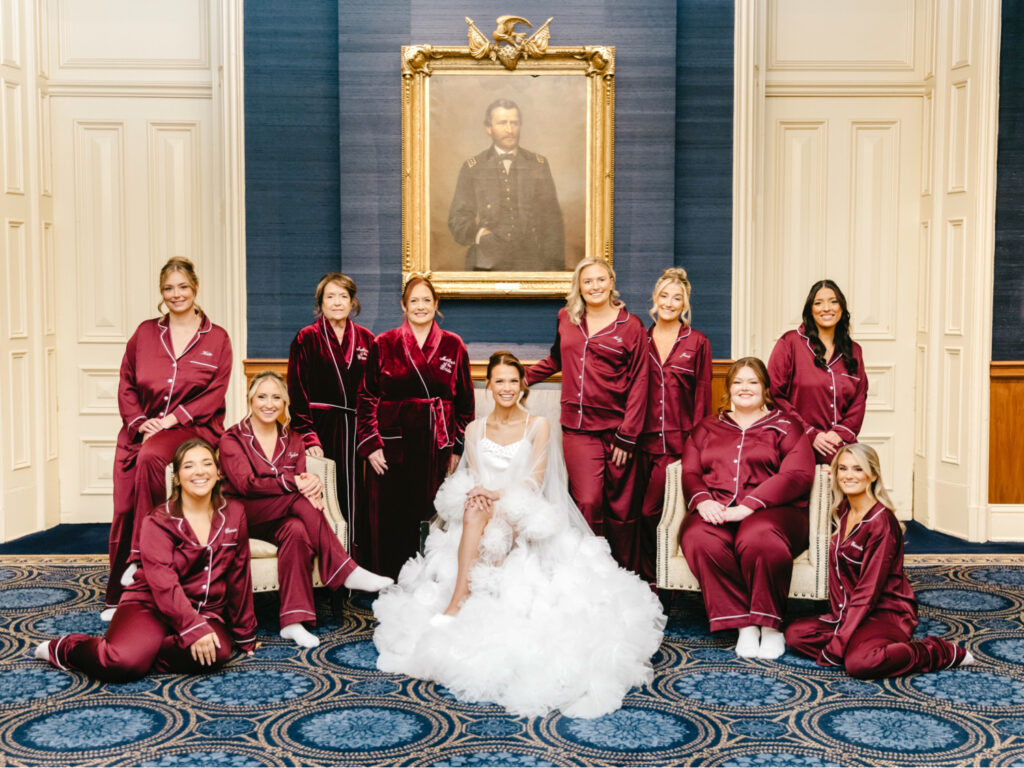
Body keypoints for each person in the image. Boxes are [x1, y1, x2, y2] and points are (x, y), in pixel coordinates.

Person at [373, 352, 665, 718]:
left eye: (513, 380)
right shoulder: (475, 429)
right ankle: (460, 595)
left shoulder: (538, 424)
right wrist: (484, 492)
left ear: (522, 385)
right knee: (474, 506)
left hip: (520, 504)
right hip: (482, 506)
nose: (507, 388)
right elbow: (476, 476)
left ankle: (485, 598)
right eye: (500, 381)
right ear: (489, 387)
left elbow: (535, 480)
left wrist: (499, 494)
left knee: (504, 511)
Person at [37, 439, 256, 682]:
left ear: (218, 472)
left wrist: (244, 633)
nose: (200, 472)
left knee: (216, 652)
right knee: (119, 663)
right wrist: (193, 628)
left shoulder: (234, 512)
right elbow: (163, 582)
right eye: (189, 466)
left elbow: (239, 574)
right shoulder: (157, 520)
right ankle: (68, 648)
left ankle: (143, 653)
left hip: (205, 609)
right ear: (176, 477)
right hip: (150, 604)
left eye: (207, 464)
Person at [220, 371, 393, 648]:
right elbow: (246, 484)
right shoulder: (232, 439)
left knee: (297, 529)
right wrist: (297, 482)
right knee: (298, 501)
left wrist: (311, 484)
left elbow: (301, 488)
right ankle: (345, 570)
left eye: (276, 397)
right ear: (250, 399)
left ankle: (292, 621)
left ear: (285, 402)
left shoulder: (294, 440)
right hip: (242, 515)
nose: (269, 403)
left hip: (279, 518)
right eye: (261, 397)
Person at [106, 257, 232, 619]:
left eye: (182, 287)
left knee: (150, 457)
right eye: (168, 288)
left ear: (195, 288)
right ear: (162, 293)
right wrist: (141, 421)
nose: (176, 294)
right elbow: (126, 382)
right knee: (123, 508)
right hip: (140, 430)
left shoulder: (217, 338)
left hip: (193, 429)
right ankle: (118, 596)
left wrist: (173, 419)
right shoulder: (145, 333)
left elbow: (215, 393)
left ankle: (141, 565)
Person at [785, 444, 974, 676]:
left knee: (860, 664)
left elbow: (868, 591)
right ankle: (858, 643)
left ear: (873, 475)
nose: (848, 475)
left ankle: (937, 651)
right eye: (842, 469)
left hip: (884, 614)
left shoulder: (881, 523)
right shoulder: (843, 510)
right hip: (846, 614)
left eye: (858, 469)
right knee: (795, 635)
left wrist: (839, 643)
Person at [680, 357, 815, 660]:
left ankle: (769, 626)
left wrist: (750, 506)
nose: (745, 388)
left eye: (753, 382)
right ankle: (743, 624)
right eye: (738, 382)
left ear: (765, 388)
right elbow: (689, 472)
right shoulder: (707, 427)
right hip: (717, 508)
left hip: (776, 512)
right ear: (728, 388)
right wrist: (703, 500)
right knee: (697, 538)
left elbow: (798, 475)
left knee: (759, 537)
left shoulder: (786, 426)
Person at [526, 257, 648, 572]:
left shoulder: (631, 326)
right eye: (587, 281)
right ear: (579, 287)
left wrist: (627, 435)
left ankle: (623, 575)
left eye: (600, 279)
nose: (594, 286)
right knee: (588, 503)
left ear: (611, 282)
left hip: (619, 432)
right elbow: (556, 358)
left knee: (621, 509)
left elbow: (640, 382)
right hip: (579, 431)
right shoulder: (566, 318)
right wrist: (519, 380)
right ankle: (588, 574)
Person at [356, 275, 475, 579]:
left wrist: (457, 448)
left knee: (429, 512)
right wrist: (371, 444)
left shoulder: (453, 344)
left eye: (426, 300)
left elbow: (465, 404)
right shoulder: (384, 343)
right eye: (414, 301)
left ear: (436, 305)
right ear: (403, 306)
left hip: (437, 443)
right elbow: (367, 396)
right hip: (391, 443)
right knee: (389, 514)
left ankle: (427, 580)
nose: (420, 307)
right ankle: (387, 578)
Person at [287, 273, 375, 559]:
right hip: (320, 429)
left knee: (358, 499)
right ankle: (327, 572)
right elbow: (298, 394)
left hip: (357, 430)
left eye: (343, 297)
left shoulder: (366, 340)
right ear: (320, 303)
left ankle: (356, 564)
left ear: (353, 302)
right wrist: (309, 436)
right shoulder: (306, 338)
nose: (337, 302)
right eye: (330, 297)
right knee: (325, 498)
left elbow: (376, 393)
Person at [636, 267, 712, 585]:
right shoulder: (640, 339)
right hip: (639, 442)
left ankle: (660, 579)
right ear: (655, 298)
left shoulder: (697, 342)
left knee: (654, 511)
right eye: (664, 296)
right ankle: (646, 579)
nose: (669, 302)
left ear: (685, 304)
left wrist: (694, 450)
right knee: (636, 514)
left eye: (676, 298)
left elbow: (703, 398)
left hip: (678, 447)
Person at [448, 98, 565, 271]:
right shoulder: (473, 167)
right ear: (489, 128)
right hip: (486, 263)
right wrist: (479, 235)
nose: (509, 130)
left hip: (532, 263)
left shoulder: (538, 164)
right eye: (502, 123)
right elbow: (458, 218)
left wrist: (555, 271)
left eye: (514, 123)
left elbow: (552, 221)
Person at [768, 279, 868, 464]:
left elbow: (859, 399)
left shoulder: (854, 351)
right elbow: (775, 395)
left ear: (842, 307)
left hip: (839, 444)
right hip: (796, 441)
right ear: (810, 310)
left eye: (833, 301)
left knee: (860, 472)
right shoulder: (790, 343)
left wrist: (840, 434)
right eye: (818, 303)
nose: (826, 308)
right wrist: (810, 433)